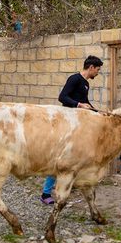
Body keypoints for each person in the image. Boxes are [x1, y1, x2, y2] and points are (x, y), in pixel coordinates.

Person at [41, 55, 104, 205]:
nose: (98, 73)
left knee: (74, 158)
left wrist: (97, 112)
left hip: (77, 126)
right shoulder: (74, 79)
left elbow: (85, 101)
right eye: (97, 70)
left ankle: (69, 184)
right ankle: (45, 193)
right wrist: (79, 105)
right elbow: (62, 97)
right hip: (66, 124)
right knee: (60, 159)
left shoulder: (85, 83)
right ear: (91, 67)